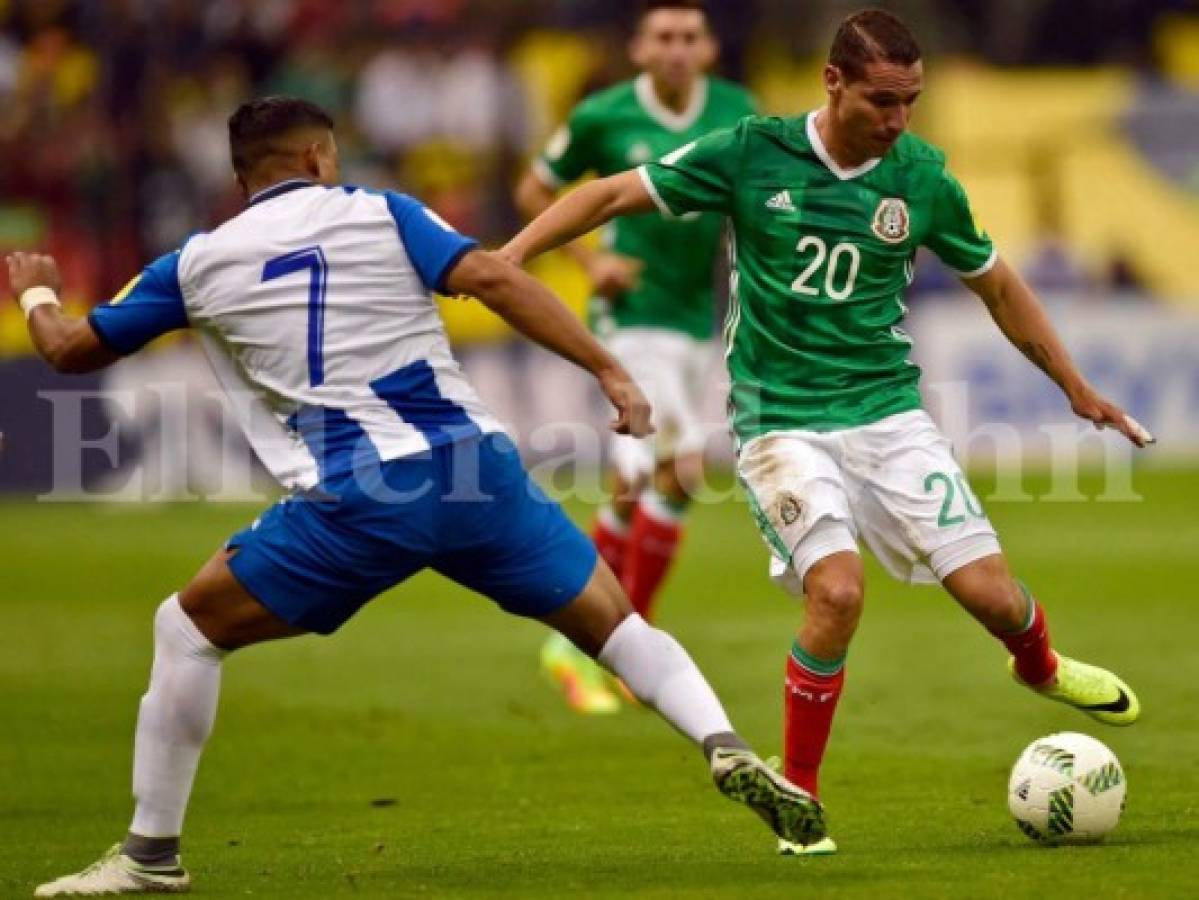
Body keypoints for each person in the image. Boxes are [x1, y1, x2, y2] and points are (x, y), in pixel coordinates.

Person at [13, 96, 823, 897]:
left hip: (363, 494)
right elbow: (495, 282)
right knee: (617, 626)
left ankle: (150, 856)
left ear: (240, 177)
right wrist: (609, 370)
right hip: (477, 473)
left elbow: (72, 351)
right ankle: (720, 739)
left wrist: (37, 294)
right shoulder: (384, 213)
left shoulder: (195, 263)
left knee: (185, 629)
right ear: (316, 160)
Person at [500, 9, 1151, 857]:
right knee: (835, 594)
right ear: (833, 81)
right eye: (882, 100)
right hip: (779, 420)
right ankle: (796, 799)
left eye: (910, 101)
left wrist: (1074, 385)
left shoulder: (922, 178)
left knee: (992, 596)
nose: (897, 120)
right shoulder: (750, 151)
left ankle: (1038, 665)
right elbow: (610, 192)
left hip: (888, 413)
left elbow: (997, 287)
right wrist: (506, 260)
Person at [513, 0, 756, 714]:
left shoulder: (740, 111)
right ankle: (619, 646)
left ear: (708, 50)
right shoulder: (603, 116)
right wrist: (590, 264)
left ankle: (594, 642)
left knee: (647, 487)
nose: (677, 49)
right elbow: (535, 187)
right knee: (678, 467)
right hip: (628, 317)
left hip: (692, 318)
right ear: (638, 50)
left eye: (689, 37)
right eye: (663, 38)